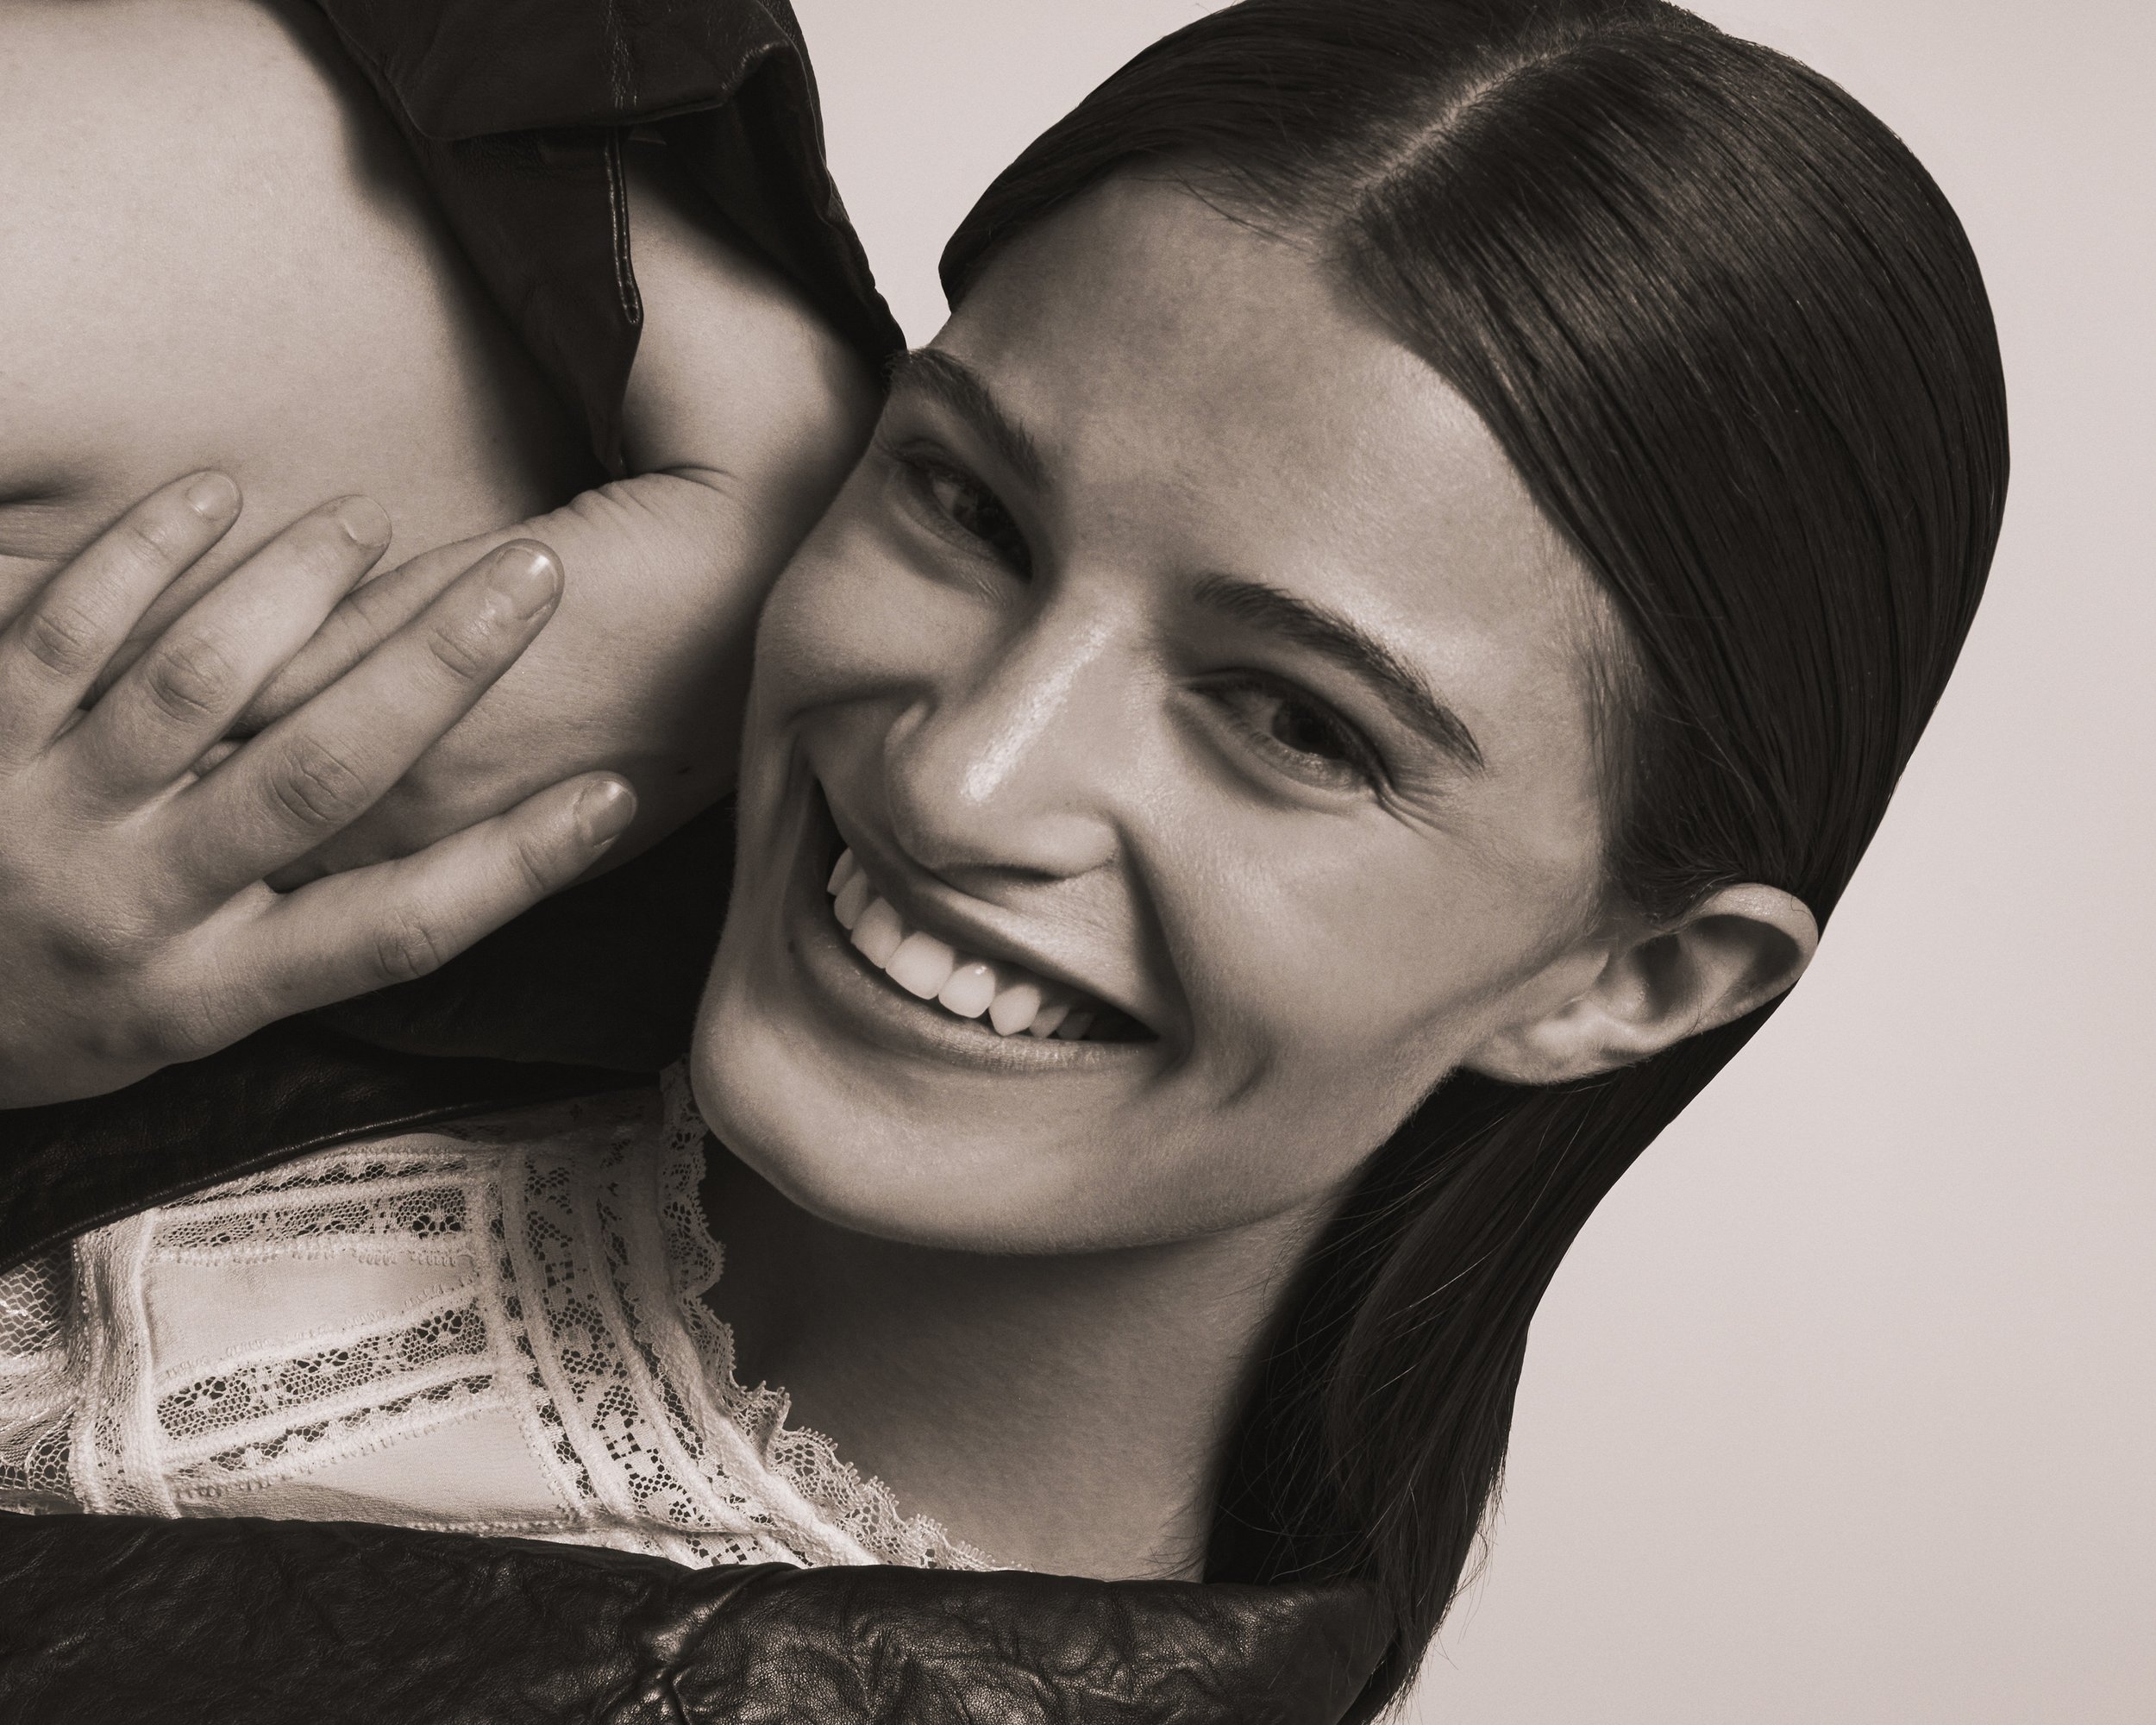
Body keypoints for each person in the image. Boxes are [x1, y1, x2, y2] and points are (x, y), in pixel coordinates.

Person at [0, 1, 2007, 1721]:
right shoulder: (479, 713)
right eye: (967, 507)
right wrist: (728, 373)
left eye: (1296, 722)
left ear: (1627, 982)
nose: (961, 777)